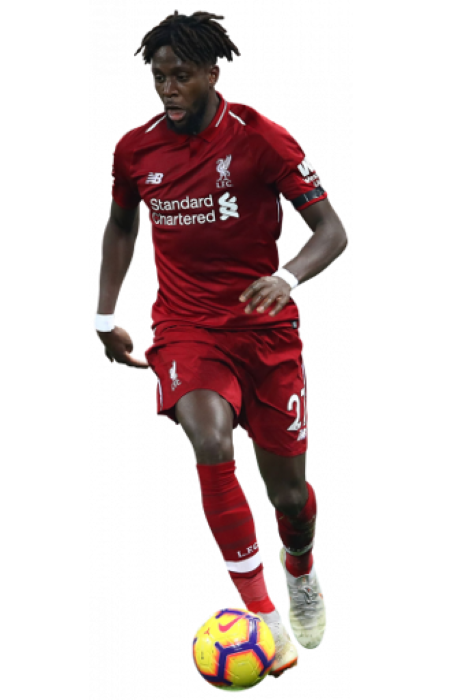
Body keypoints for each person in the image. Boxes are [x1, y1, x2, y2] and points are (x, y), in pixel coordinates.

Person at [94, 10, 348, 678]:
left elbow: (331, 230)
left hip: (266, 334)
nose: (167, 88)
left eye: (180, 75)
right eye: (157, 77)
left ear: (213, 73)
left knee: (289, 499)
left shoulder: (263, 138)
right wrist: (104, 315)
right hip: (185, 327)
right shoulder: (134, 150)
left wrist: (286, 277)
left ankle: (300, 569)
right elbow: (120, 226)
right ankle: (262, 614)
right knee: (208, 439)